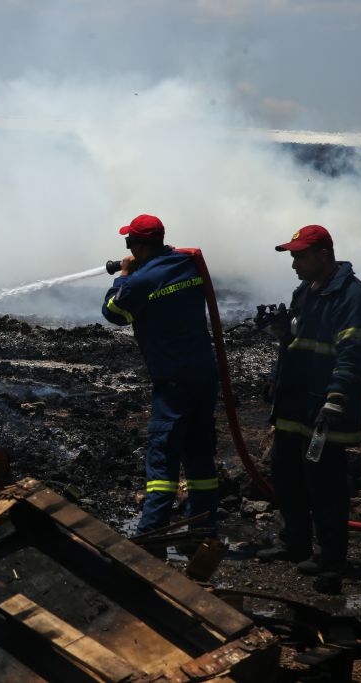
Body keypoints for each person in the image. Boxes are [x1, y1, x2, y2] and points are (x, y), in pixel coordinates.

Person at [257, 225, 361, 594]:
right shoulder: (304, 291)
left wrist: (336, 397)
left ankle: (330, 558)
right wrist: (276, 371)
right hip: (294, 403)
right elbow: (294, 344)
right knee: (286, 473)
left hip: (323, 407)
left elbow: (353, 353)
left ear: (324, 254)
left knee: (324, 483)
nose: (295, 264)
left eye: (301, 256)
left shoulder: (352, 296)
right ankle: (295, 542)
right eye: (293, 256)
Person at [102, 214, 220, 539]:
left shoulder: (140, 282)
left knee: (163, 458)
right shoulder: (187, 264)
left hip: (173, 383)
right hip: (203, 377)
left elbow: (113, 312)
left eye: (129, 242)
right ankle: (202, 532)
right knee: (199, 457)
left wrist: (124, 275)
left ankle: (151, 535)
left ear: (137, 246)